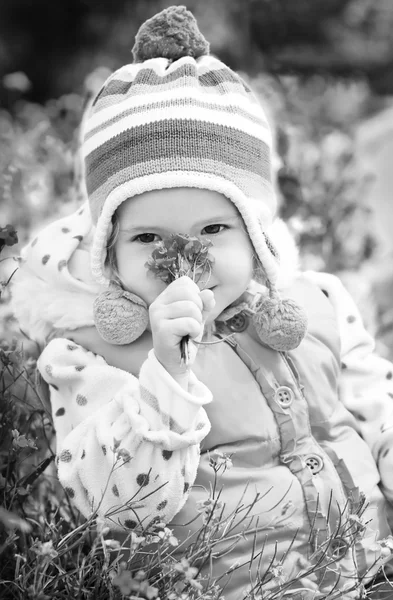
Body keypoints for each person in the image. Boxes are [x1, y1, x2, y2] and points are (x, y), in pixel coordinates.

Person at [10, 6, 393, 598]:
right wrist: (165, 372)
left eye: (214, 230)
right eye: (146, 239)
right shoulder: (91, 356)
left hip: (371, 567)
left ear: (257, 234)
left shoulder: (318, 303)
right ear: (107, 254)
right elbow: (121, 507)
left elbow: (377, 413)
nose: (183, 258)